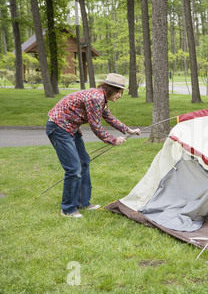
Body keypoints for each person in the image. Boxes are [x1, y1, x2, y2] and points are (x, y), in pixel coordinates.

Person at [46, 73, 141, 218]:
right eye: (119, 92)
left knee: (84, 162)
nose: (120, 95)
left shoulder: (101, 98)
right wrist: (113, 140)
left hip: (71, 128)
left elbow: (109, 117)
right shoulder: (96, 98)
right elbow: (96, 126)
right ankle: (68, 209)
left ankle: (83, 202)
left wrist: (128, 130)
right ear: (111, 89)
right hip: (59, 128)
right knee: (73, 168)